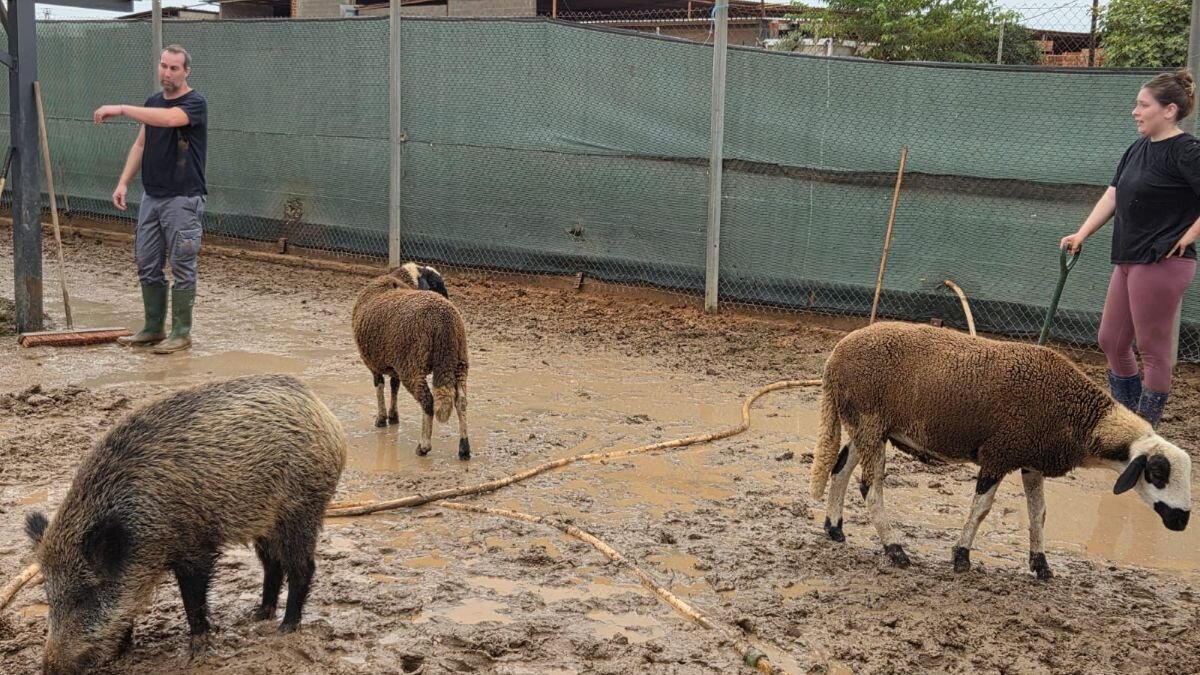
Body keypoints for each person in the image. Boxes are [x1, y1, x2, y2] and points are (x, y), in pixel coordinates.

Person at [1060, 69, 1200, 428]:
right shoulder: (1138, 148)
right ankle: (1128, 423)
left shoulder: (1186, 151)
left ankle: (1144, 432)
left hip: (1161, 261)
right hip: (1128, 256)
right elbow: (1114, 194)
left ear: (1169, 110)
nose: (1135, 111)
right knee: (1111, 339)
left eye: (1143, 105)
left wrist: (1190, 235)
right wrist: (1082, 233)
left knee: (1153, 351)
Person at [93, 44, 207, 354]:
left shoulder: (195, 103)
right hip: (152, 197)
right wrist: (123, 182)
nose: (167, 72)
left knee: (182, 264)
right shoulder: (153, 102)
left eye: (174, 68)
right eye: (163, 66)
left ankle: (181, 333)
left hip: (183, 198)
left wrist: (121, 109)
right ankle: (153, 328)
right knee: (146, 262)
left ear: (186, 72)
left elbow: (169, 120)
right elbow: (141, 145)